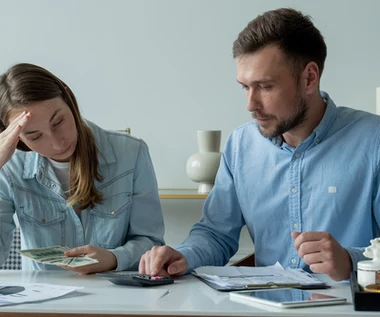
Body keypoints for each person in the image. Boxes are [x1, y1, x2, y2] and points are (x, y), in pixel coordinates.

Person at [139, 7, 380, 281]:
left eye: (265, 86)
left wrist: (351, 261)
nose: (250, 104)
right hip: (264, 306)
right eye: (245, 86)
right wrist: (184, 255)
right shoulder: (241, 145)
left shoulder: (374, 141)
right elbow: (216, 234)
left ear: (309, 78)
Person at [0, 63, 165, 273]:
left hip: (116, 298)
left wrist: (114, 258)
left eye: (58, 121)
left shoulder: (131, 153)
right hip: (42, 304)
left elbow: (151, 241)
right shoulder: (9, 168)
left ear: (70, 101)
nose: (57, 143)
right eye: (35, 136)